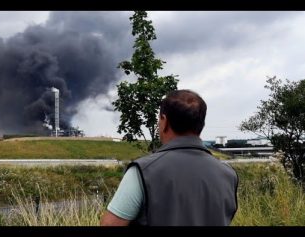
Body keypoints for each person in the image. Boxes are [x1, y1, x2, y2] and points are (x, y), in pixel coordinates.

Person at [100, 89, 238, 226]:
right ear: (201, 124)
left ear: (164, 121)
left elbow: (110, 224)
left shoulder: (143, 171)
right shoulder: (228, 174)